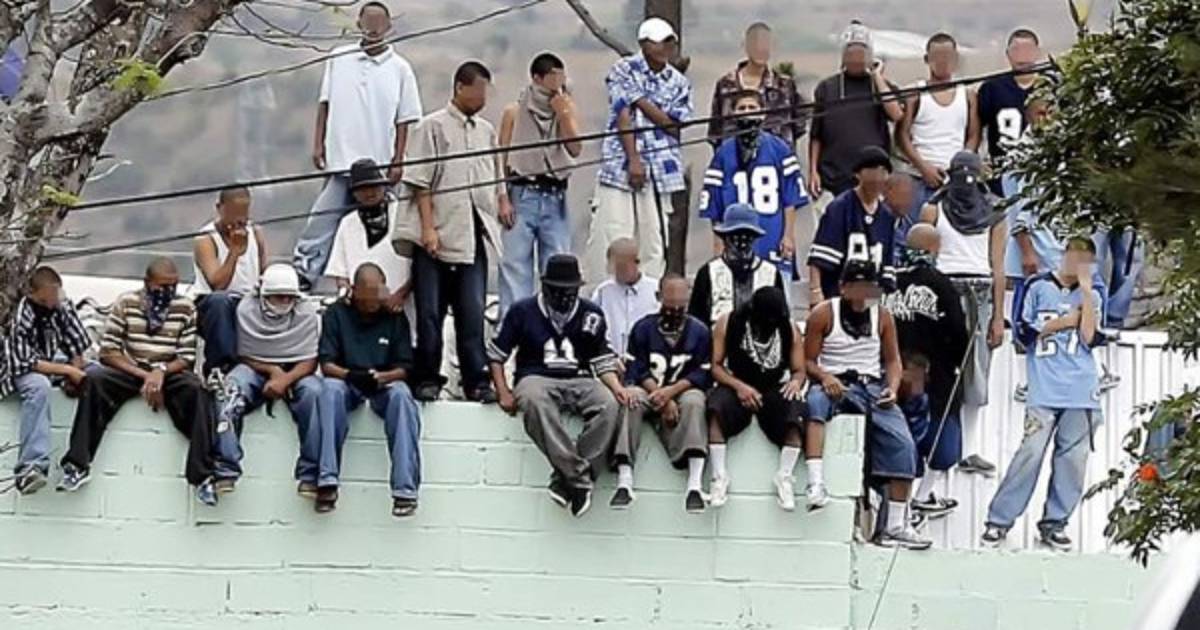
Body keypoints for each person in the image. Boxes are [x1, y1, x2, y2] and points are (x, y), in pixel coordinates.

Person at [57, 258, 218, 506]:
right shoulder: (126, 302)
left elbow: (186, 357)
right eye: (162, 286)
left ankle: (203, 476)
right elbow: (108, 352)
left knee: (198, 392)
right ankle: (76, 465)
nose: (168, 292)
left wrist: (160, 372)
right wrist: (146, 376)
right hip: (132, 369)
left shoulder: (185, 307)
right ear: (147, 283)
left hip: (169, 372)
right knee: (95, 381)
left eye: (173, 285)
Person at [394, 61, 508, 403]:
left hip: (473, 233)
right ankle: (427, 376)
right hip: (437, 234)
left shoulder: (486, 131)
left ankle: (476, 381)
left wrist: (502, 201)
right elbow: (420, 182)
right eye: (478, 90)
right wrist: (428, 228)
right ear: (460, 87)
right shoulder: (432, 127)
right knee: (431, 313)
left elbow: (496, 175)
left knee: (471, 313)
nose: (482, 98)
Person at [488, 254, 636, 516]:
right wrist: (503, 391)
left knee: (609, 404)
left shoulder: (591, 313)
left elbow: (601, 360)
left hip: (580, 377)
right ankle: (579, 477)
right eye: (557, 290)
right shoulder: (522, 311)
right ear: (545, 287)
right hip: (536, 376)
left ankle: (566, 480)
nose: (564, 297)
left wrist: (617, 388)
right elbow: (497, 355)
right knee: (533, 401)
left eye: (569, 290)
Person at [293, 0, 422, 290]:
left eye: (379, 23)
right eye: (369, 22)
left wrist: (398, 159)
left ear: (389, 27)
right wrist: (318, 143)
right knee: (323, 220)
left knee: (385, 225)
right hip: (342, 161)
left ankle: (390, 280)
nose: (374, 29)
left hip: (379, 166)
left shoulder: (400, 68)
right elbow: (325, 104)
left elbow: (405, 119)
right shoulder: (339, 57)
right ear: (359, 24)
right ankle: (304, 275)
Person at [982, 238, 1102, 550]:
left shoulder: (1093, 295)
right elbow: (1025, 334)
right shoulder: (1037, 287)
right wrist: (1065, 322)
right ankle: (999, 520)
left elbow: (1090, 337)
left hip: (1081, 389)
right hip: (1044, 388)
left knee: (1073, 459)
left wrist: (1086, 293)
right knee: (1030, 452)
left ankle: (1055, 522)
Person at [804, 260, 930, 549]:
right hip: (835, 381)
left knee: (904, 443)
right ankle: (815, 482)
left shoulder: (882, 317)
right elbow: (808, 360)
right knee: (815, 404)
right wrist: (825, 376)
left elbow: (893, 361)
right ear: (844, 288)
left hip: (871, 385)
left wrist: (893, 388)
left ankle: (896, 523)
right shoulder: (823, 314)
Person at [918, 151, 1007, 477]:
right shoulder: (933, 209)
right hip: (943, 290)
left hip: (980, 292)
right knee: (938, 370)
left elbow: (998, 266)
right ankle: (933, 441)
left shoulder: (995, 213)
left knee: (976, 372)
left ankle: (969, 447)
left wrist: (998, 316)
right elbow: (924, 258)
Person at [589, 17, 693, 282]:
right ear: (644, 44)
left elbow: (674, 125)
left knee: (653, 241)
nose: (665, 48)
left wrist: (639, 100)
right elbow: (622, 114)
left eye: (669, 42)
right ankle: (607, 293)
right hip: (620, 166)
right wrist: (633, 158)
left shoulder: (678, 82)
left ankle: (648, 297)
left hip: (661, 170)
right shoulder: (624, 69)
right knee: (614, 234)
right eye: (659, 42)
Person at [212, 265, 325, 499]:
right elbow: (243, 353)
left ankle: (310, 473)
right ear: (263, 296)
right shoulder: (246, 309)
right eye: (278, 296)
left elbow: (310, 359)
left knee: (315, 394)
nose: (285, 301)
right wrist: (272, 370)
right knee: (229, 390)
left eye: (290, 297)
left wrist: (286, 378)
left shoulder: (306, 312)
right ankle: (226, 467)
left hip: (295, 369)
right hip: (255, 366)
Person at [318, 263, 422, 516]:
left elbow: (405, 367)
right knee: (329, 391)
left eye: (377, 298)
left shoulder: (394, 316)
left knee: (402, 396)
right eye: (367, 300)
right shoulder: (336, 313)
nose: (373, 305)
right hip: (347, 380)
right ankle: (327, 479)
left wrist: (382, 377)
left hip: (383, 383)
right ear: (354, 291)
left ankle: (405, 490)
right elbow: (327, 364)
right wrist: (351, 375)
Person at [881, 225, 969, 517]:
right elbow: (958, 333)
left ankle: (893, 503)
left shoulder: (886, 281)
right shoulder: (941, 284)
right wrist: (956, 363)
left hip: (890, 377)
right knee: (942, 443)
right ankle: (920, 496)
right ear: (934, 249)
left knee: (895, 442)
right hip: (935, 379)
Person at [706, 286, 807, 511]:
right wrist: (739, 387)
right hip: (735, 382)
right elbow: (716, 367)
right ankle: (719, 476)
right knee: (715, 407)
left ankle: (785, 476)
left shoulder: (789, 328)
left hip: (772, 386)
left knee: (796, 410)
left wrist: (795, 382)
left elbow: (799, 370)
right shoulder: (728, 322)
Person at [497, 52, 582, 319]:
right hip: (523, 192)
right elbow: (501, 157)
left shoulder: (566, 107)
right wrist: (502, 197)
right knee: (515, 265)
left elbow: (575, 148)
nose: (558, 82)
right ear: (537, 78)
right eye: (553, 76)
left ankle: (556, 323)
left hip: (555, 194)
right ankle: (513, 325)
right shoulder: (515, 111)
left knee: (556, 263)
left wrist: (563, 113)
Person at [622, 274, 712, 513]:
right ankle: (624, 477)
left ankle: (695, 483)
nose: (675, 312)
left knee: (695, 402)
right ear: (659, 298)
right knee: (630, 398)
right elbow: (635, 368)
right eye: (670, 306)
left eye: (680, 306)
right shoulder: (643, 328)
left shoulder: (700, 331)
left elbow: (702, 373)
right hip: (649, 389)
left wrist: (671, 392)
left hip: (682, 389)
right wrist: (659, 395)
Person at [0, 266, 91, 494]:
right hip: (19, 368)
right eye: (43, 301)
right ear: (32, 294)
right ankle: (31, 466)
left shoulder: (62, 306)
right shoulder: (21, 315)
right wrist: (67, 371)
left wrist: (76, 371)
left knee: (97, 377)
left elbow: (77, 346)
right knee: (39, 387)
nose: (49, 306)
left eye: (53, 300)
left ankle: (78, 460)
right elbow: (24, 362)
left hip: (52, 360)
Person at [700, 90, 807, 282]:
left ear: (763, 113)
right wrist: (717, 244)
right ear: (733, 114)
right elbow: (714, 206)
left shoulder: (780, 148)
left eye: (752, 107)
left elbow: (790, 198)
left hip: (772, 233)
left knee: (777, 293)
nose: (747, 112)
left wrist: (788, 235)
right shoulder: (723, 154)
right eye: (742, 108)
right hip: (734, 238)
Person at [808, 20, 903, 200]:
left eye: (861, 53)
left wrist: (877, 75)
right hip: (832, 178)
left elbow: (896, 114)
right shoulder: (826, 88)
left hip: (873, 179)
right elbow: (816, 136)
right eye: (851, 53)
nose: (856, 58)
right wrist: (813, 172)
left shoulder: (881, 88)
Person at [896, 33, 979, 217]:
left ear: (956, 59)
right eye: (937, 57)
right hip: (919, 178)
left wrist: (962, 166)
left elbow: (973, 135)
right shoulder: (914, 94)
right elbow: (902, 136)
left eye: (948, 57)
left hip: (956, 179)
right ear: (927, 59)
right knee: (917, 229)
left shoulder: (967, 95)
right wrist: (923, 167)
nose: (943, 62)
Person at [191, 186, 266, 380]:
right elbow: (217, 284)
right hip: (213, 306)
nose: (239, 221)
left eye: (244, 214)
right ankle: (221, 369)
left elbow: (263, 274)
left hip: (248, 302)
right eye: (233, 214)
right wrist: (234, 251)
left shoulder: (256, 233)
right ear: (220, 208)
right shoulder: (206, 239)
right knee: (221, 301)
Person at [808, 146, 897, 303]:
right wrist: (816, 291)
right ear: (858, 174)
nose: (877, 180)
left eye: (882, 173)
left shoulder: (887, 217)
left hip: (871, 296)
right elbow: (819, 258)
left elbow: (887, 268)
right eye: (872, 174)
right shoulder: (840, 208)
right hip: (838, 292)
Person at [325, 158, 411, 314]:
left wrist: (400, 295)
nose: (370, 193)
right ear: (355, 193)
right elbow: (340, 273)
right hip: (361, 312)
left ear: (383, 186)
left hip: (401, 307)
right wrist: (348, 293)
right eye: (363, 189)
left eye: (374, 187)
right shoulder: (347, 223)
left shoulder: (403, 213)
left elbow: (420, 265)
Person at [708, 22, 807, 148]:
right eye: (755, 44)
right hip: (734, 157)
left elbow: (798, 126)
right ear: (745, 46)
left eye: (765, 44)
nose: (760, 49)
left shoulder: (785, 85)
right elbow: (715, 132)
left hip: (778, 157)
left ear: (772, 46)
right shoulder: (725, 85)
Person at [689, 203, 786, 327]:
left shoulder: (770, 273)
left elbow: (782, 319)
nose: (742, 244)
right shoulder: (708, 272)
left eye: (748, 236)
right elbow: (696, 322)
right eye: (735, 236)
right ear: (725, 238)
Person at [976, 28, 1042, 194]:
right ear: (1008, 54)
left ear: (1037, 53)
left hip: (1041, 173)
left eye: (1027, 50)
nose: (1022, 57)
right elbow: (976, 129)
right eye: (1016, 50)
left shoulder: (1051, 85)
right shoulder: (991, 88)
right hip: (1002, 174)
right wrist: (978, 161)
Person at [590, 238, 659, 359]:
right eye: (614, 268)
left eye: (621, 267)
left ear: (636, 263)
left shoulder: (655, 290)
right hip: (612, 359)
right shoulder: (603, 292)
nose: (616, 273)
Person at [886, 173, 918, 263]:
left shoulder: (910, 226)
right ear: (887, 193)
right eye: (904, 195)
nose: (908, 201)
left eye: (911, 196)